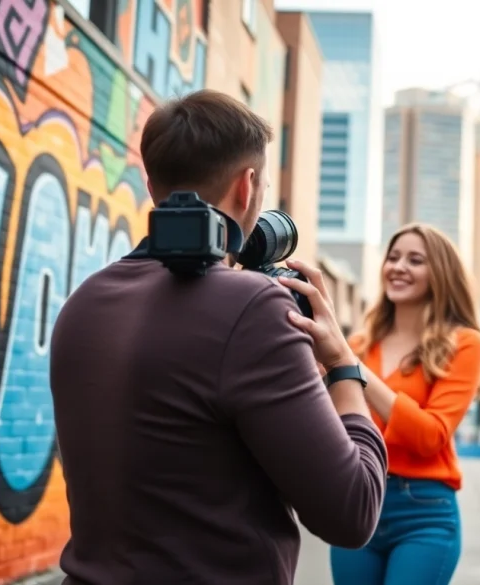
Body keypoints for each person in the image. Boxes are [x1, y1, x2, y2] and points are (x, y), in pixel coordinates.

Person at [48, 89, 388, 585]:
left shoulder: (83, 302)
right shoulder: (253, 309)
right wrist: (342, 366)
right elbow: (353, 512)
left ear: (152, 186)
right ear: (246, 188)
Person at [321, 223, 480, 585]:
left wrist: (353, 370)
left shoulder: (465, 344)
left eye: (415, 260)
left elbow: (430, 436)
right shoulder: (358, 345)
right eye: (394, 257)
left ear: (441, 274)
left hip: (424, 513)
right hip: (359, 501)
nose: (399, 267)